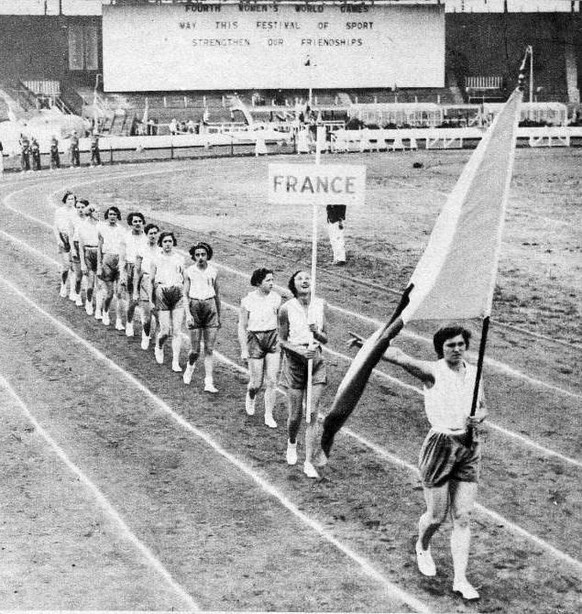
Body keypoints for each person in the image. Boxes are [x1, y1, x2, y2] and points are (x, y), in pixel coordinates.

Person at [348, 324, 487, 601]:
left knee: (462, 516)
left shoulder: (474, 372)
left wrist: (479, 418)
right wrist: (371, 346)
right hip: (440, 446)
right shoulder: (432, 371)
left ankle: (460, 579)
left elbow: (483, 406)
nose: (457, 349)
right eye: (450, 345)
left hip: (470, 446)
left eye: (460, 344)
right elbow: (399, 356)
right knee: (436, 516)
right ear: (441, 349)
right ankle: (422, 545)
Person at [278, 270, 329, 479]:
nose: (305, 280)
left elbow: (325, 338)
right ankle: (291, 442)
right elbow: (281, 340)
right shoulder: (286, 309)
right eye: (300, 278)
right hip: (295, 362)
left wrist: (316, 333)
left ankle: (308, 461)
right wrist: (299, 350)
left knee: (313, 413)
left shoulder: (320, 304)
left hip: (316, 361)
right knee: (295, 415)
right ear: (293, 285)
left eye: (308, 277)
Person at [238, 268, 281, 428]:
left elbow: (280, 321)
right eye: (268, 280)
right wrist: (244, 349)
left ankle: (268, 414)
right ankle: (251, 395)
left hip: (272, 338)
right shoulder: (248, 301)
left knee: (272, 381)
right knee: (256, 383)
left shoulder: (276, 298)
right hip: (254, 339)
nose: (271, 283)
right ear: (258, 282)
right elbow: (242, 326)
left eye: (272, 280)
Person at [182, 242, 221, 393]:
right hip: (194, 306)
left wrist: (219, 316)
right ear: (193, 256)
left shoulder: (214, 271)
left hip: (210, 307)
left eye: (203, 254)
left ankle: (208, 382)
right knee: (195, 350)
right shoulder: (189, 272)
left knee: (210, 349)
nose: (200, 258)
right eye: (197, 255)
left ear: (208, 255)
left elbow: (217, 294)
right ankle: (190, 366)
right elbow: (185, 295)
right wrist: (188, 314)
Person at [151, 231, 185, 372]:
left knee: (177, 330)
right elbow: (152, 280)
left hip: (177, 292)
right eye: (165, 242)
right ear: (161, 243)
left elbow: (183, 277)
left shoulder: (180, 258)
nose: (168, 244)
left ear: (173, 242)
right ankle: (159, 346)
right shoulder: (156, 258)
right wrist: (152, 300)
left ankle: (175, 361)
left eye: (170, 241)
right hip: (162, 291)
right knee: (165, 331)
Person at [119, 212, 148, 338]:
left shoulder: (147, 237)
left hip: (144, 269)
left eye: (139, 221)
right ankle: (129, 323)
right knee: (132, 300)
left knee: (145, 301)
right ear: (131, 223)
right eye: (135, 221)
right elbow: (122, 257)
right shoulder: (126, 237)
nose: (137, 223)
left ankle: (145, 328)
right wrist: (122, 274)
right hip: (130, 268)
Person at [97, 206, 126, 328]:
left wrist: (123, 264)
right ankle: (105, 312)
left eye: (114, 214)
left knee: (119, 294)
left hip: (119, 260)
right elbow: (99, 247)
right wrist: (99, 265)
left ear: (118, 216)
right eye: (110, 214)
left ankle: (119, 321)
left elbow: (124, 248)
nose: (112, 216)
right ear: (107, 216)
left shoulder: (122, 230)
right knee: (109, 293)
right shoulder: (102, 228)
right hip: (107, 260)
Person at [134, 223, 161, 350]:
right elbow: (137, 271)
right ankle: (146, 336)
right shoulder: (141, 249)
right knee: (147, 314)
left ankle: (157, 341)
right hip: (145, 281)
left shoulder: (162, 250)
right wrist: (135, 290)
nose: (153, 235)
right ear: (146, 234)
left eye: (155, 233)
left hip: (159, 283)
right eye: (151, 233)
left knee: (160, 314)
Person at [77, 200, 101, 316]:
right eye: (96, 212)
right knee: (90, 283)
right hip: (88, 253)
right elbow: (81, 247)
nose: (99, 214)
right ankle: (89, 302)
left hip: (100, 254)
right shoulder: (83, 226)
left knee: (100, 283)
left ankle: (99, 309)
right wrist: (82, 264)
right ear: (91, 213)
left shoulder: (101, 225)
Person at [53, 191, 76, 298]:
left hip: (74, 240)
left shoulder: (76, 211)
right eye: (69, 199)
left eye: (73, 199)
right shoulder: (59, 211)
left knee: (74, 266)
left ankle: (72, 290)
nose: (71, 201)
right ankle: (63, 285)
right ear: (65, 200)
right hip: (63, 238)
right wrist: (59, 240)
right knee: (66, 265)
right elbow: (56, 227)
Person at [69, 197, 89, 306]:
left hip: (88, 247)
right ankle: (77, 295)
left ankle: (88, 299)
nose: (80, 209)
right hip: (76, 245)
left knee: (89, 274)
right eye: (78, 207)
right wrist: (72, 249)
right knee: (78, 275)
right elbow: (70, 235)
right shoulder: (73, 219)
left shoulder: (90, 219)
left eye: (82, 207)